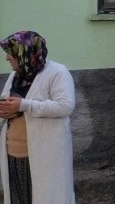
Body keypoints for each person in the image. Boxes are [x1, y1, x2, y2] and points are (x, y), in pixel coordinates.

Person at [0, 31, 76, 204]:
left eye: (11, 52)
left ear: (25, 53)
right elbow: (7, 103)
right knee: (19, 198)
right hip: (14, 155)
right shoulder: (15, 76)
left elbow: (66, 106)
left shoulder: (57, 72)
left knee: (46, 197)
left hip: (44, 156)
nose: (6, 58)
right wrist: (4, 110)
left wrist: (24, 105)